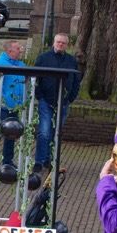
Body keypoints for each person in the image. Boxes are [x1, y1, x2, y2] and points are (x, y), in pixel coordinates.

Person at [32, 33, 81, 173]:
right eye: (58, 42)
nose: (60, 44)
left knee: (55, 133)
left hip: (63, 103)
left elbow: (76, 80)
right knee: (44, 132)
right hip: (46, 102)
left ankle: (49, 159)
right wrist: (39, 96)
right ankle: (39, 161)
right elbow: (36, 79)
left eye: (63, 43)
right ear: (53, 42)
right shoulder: (43, 58)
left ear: (67, 45)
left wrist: (71, 98)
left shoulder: (72, 61)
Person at [0, 40, 26, 166]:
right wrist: (3, 99)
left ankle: (8, 161)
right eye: (18, 48)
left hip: (16, 107)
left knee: (11, 134)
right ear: (10, 51)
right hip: (3, 107)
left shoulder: (21, 65)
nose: (20, 50)